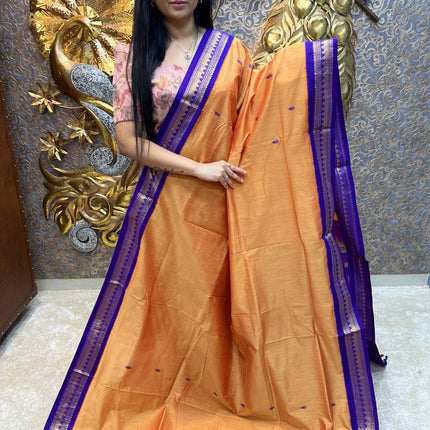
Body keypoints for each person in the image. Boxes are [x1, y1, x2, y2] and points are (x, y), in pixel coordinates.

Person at [45, 1, 386, 429]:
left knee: (231, 297)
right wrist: (197, 168)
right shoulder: (131, 58)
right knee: (178, 302)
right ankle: (175, 383)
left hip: (230, 197)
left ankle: (231, 382)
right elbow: (130, 142)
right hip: (170, 203)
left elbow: (260, 115)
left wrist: (307, 67)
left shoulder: (231, 51)